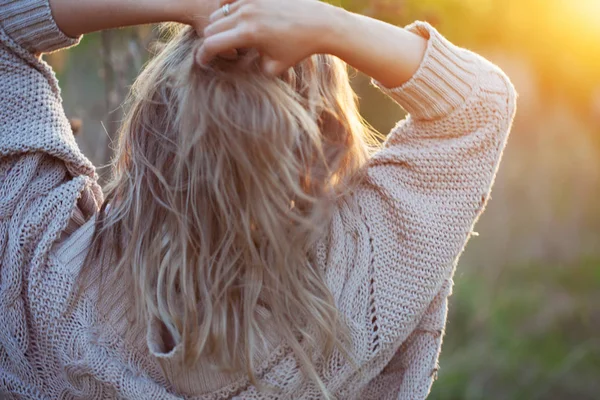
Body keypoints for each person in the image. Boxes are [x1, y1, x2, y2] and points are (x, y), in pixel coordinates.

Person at [0, 0, 516, 398]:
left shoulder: (55, 288)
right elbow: (479, 104)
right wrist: (325, 25)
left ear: (148, 132)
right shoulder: (354, 294)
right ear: (325, 142)